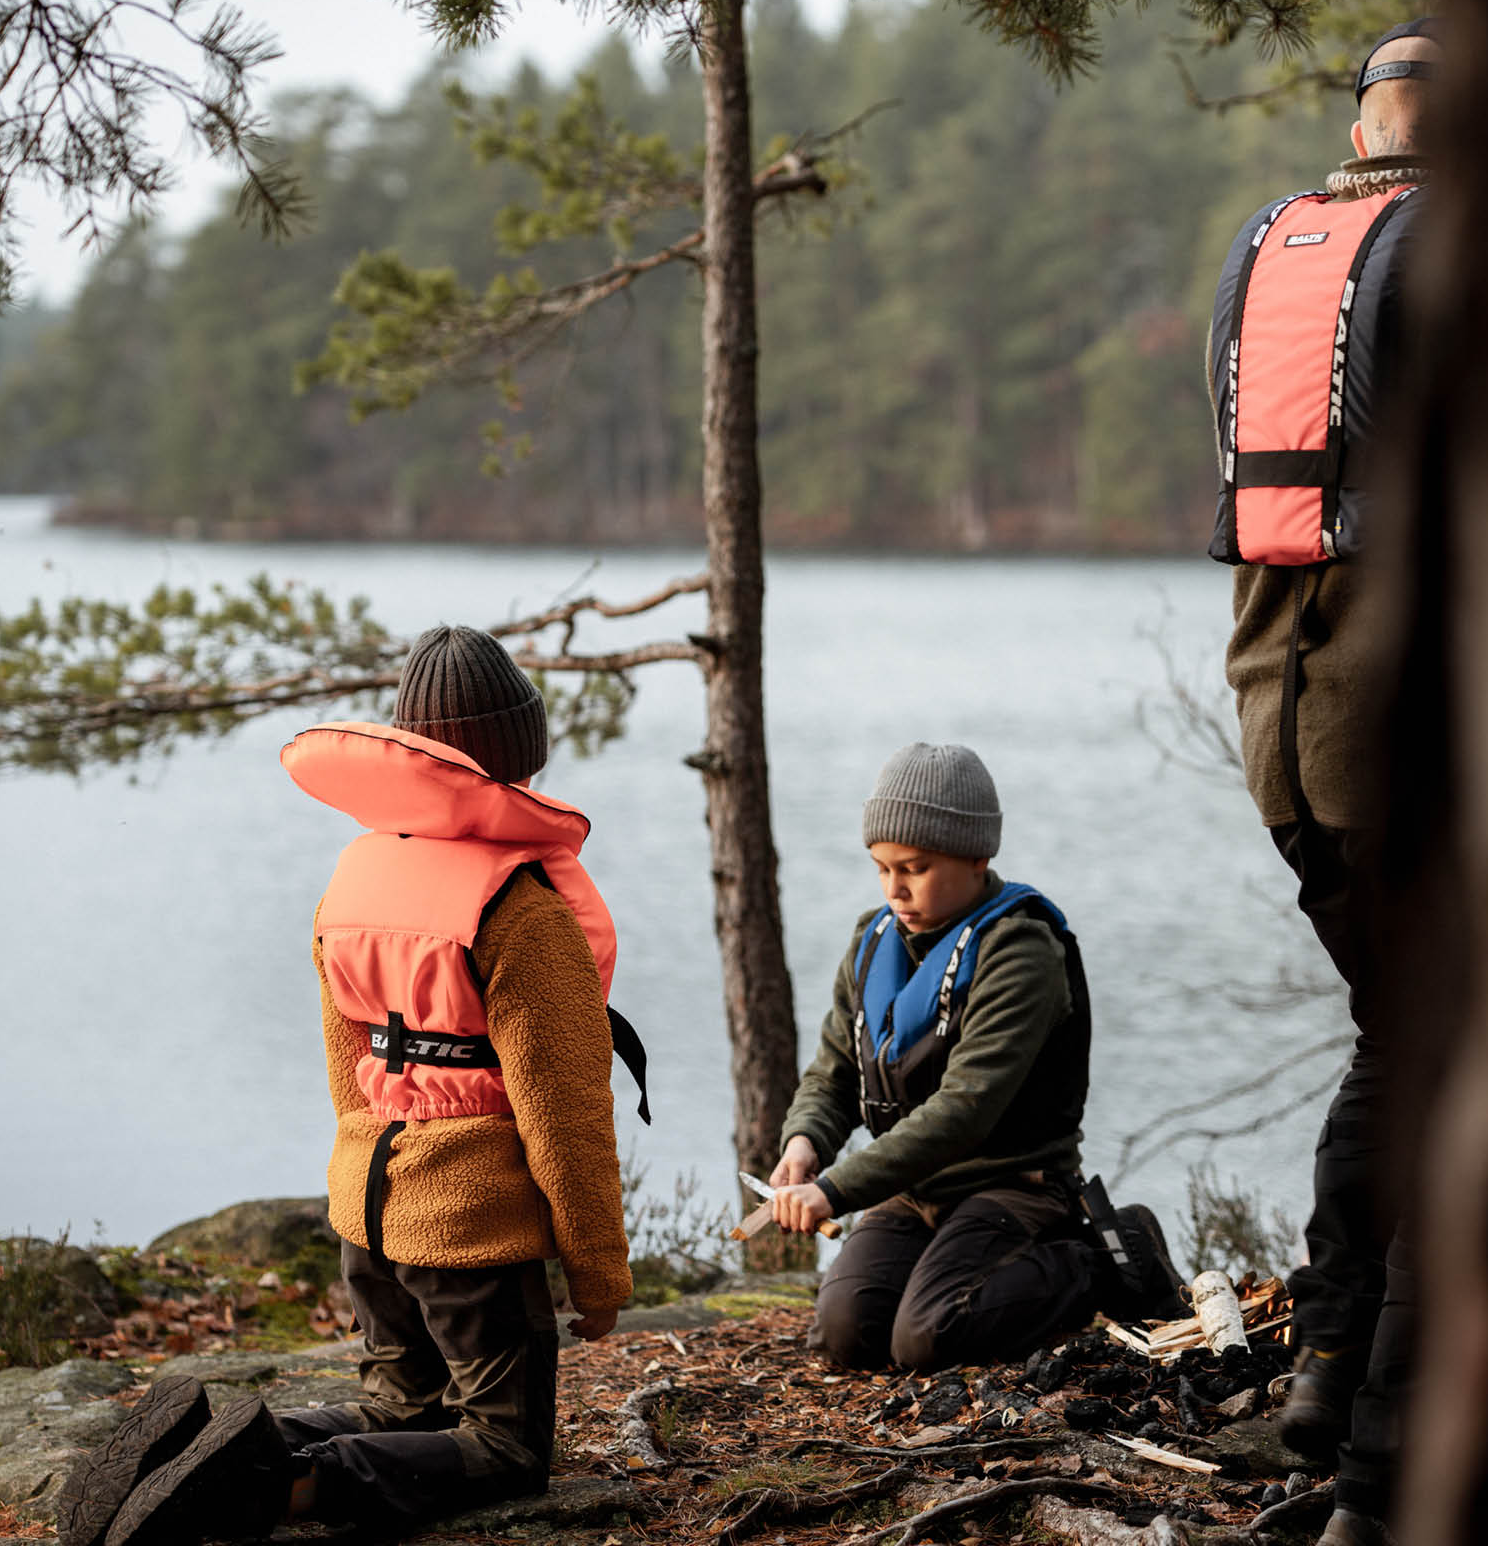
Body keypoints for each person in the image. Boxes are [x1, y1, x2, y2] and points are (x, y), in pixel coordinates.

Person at [58, 626, 635, 1546]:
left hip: (368, 1213)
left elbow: (348, 1071)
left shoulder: (354, 883)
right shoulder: (521, 910)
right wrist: (599, 1270)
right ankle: (264, 1492)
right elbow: (565, 1115)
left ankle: (203, 1447)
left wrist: (365, 1193)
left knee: (398, 1414)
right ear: (525, 749)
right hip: (469, 1233)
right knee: (507, 1447)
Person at [1206, 19, 1438, 1546]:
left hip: (1280, 740)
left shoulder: (1269, 250)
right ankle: (1384, 1465)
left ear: (1363, 124)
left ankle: (1321, 1371)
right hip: (1401, 746)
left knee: (1396, 1038)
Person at [766, 741, 1184, 1373]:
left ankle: (1102, 1254)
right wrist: (805, 1143)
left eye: (915, 868)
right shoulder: (872, 939)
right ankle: (965, 1272)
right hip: (913, 1191)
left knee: (931, 1338)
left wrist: (835, 1190)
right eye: (882, 868)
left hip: (1012, 1186)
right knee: (849, 1333)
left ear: (977, 856)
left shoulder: (1019, 950)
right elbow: (835, 1071)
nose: (895, 890)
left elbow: (965, 1109)